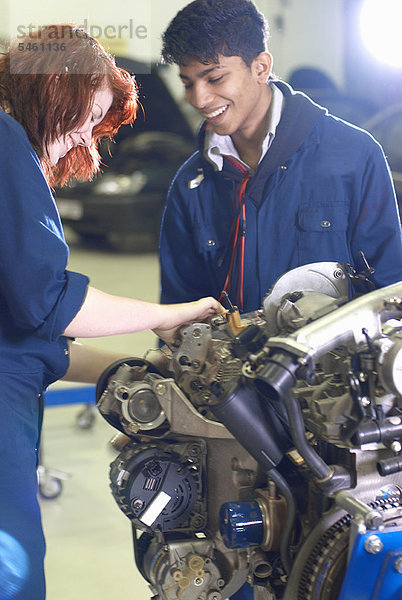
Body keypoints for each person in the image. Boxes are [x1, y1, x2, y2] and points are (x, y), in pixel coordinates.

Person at [0, 24, 222, 600]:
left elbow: (27, 338)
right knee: (13, 571)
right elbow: (50, 303)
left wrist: (138, 369)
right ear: (54, 92)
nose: (81, 134)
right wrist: (171, 313)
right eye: (81, 115)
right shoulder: (5, 144)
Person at [159, 0, 402, 316]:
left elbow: (390, 293)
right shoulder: (190, 185)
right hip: (231, 365)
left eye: (214, 78)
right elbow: (179, 314)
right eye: (188, 83)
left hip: (336, 362)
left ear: (260, 67)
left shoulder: (355, 156)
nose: (199, 99)